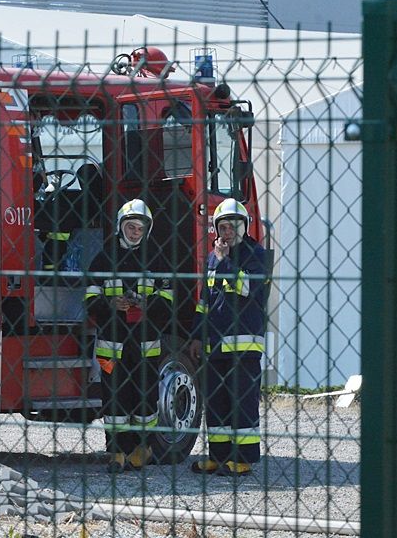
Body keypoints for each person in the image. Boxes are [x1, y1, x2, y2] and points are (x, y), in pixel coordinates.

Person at [84, 198, 175, 473]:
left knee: (144, 398)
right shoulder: (104, 257)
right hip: (112, 342)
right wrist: (109, 305)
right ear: (120, 227)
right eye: (130, 227)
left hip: (145, 342)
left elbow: (169, 298)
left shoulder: (156, 258)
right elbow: (89, 296)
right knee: (114, 398)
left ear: (146, 231)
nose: (134, 232)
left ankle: (142, 448)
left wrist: (150, 305)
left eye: (139, 229)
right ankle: (117, 452)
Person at [189, 198, 267, 477]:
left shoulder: (256, 254)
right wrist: (197, 336)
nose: (228, 231)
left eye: (234, 225)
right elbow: (205, 301)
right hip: (215, 344)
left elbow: (248, 288)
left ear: (244, 226)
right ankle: (219, 456)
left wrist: (223, 263)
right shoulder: (213, 258)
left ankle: (244, 458)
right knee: (217, 403)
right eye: (223, 226)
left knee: (242, 401)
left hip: (244, 345)